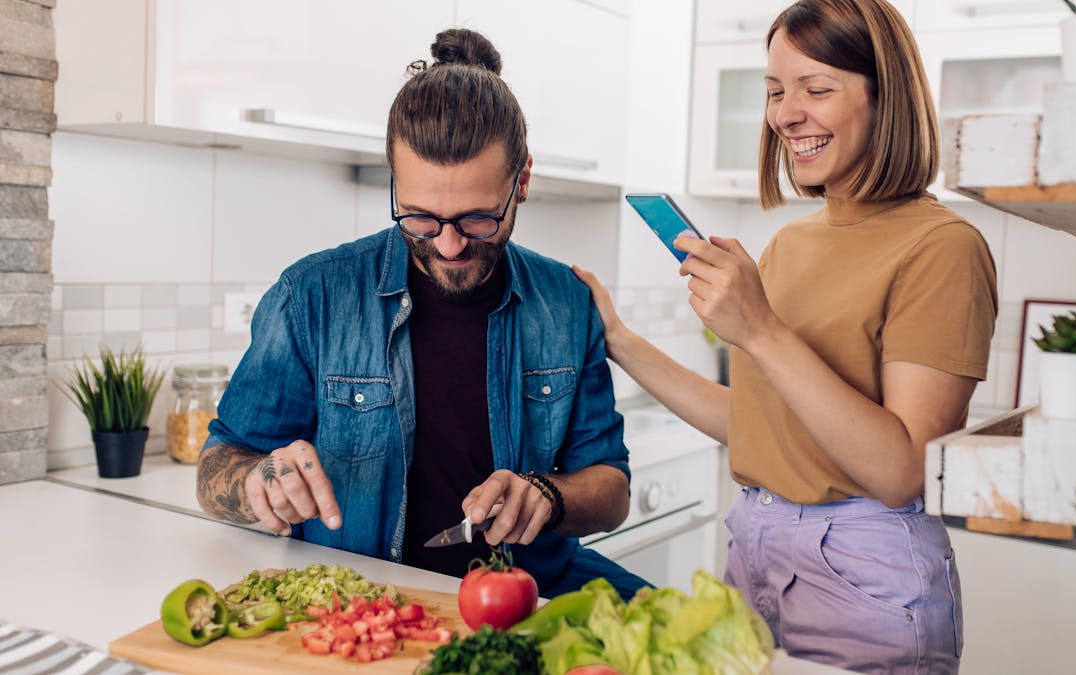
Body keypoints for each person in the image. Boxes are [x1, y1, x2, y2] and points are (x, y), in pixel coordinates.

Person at [574, 0, 996, 671]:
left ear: (884, 97)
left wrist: (762, 328)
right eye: (774, 90)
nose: (785, 113)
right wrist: (617, 337)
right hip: (755, 556)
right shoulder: (789, 245)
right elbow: (758, 427)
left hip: (865, 581)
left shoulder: (943, 247)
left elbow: (900, 469)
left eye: (815, 88)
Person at [196, 28, 649, 601]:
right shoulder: (312, 295)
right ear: (394, 180)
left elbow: (612, 490)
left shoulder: (565, 301)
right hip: (367, 598)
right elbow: (216, 467)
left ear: (523, 181)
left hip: (536, 587)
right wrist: (259, 482)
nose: (450, 245)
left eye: (479, 218)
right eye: (420, 219)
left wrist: (549, 496)